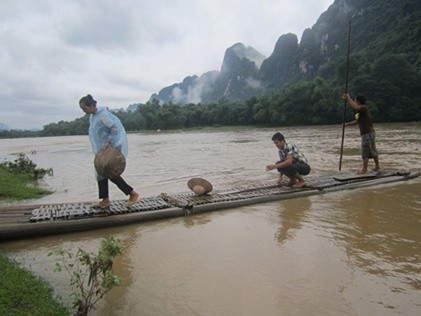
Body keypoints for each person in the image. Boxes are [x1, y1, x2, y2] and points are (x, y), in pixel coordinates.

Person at [79, 94, 139, 208]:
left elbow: (115, 128)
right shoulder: (93, 116)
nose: (84, 111)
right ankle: (105, 200)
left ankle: (132, 194)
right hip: (102, 150)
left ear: (91, 105)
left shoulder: (103, 115)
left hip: (110, 148)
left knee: (110, 172)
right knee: (101, 173)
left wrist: (108, 142)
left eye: (85, 108)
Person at [343, 93, 380, 174]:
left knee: (365, 150)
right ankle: (377, 167)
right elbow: (357, 122)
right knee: (373, 150)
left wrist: (348, 98)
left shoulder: (363, 107)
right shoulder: (362, 111)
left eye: (355, 101)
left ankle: (364, 169)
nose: (355, 102)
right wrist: (347, 124)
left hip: (367, 133)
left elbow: (355, 106)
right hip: (370, 133)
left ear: (358, 102)